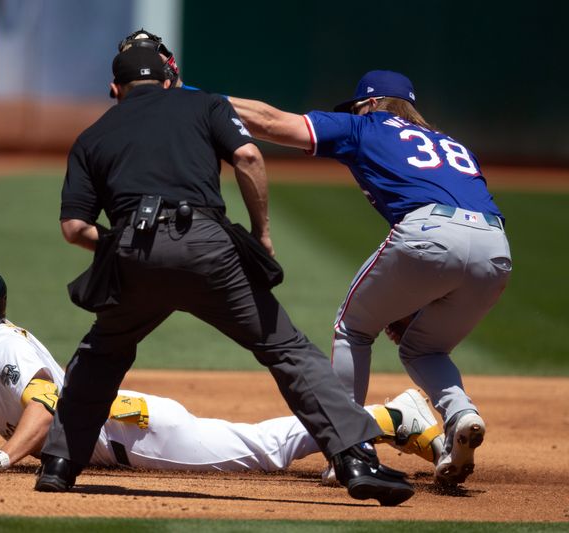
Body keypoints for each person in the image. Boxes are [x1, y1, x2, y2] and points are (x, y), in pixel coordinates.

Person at [36, 46, 417, 507]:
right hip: (206, 246)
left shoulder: (92, 135)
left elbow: (74, 229)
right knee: (286, 349)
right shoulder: (204, 103)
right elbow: (250, 158)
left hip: (131, 252)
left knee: (102, 352)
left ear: (115, 89)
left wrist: (122, 244)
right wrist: (262, 233)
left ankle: (59, 464)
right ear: (168, 80)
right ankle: (354, 458)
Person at [0, 263, 443, 477]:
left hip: (136, 435)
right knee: (264, 444)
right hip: (113, 435)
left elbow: (45, 403)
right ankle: (385, 417)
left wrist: (7, 459)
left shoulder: (7, 348)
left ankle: (392, 416)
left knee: (265, 451)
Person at [228, 70, 512, 486]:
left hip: (430, 233)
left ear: (373, 103)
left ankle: (348, 447)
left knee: (353, 328)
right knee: (424, 348)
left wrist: (193, 98)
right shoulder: (452, 143)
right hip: (496, 247)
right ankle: (460, 414)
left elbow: (270, 121)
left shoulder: (367, 124)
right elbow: (463, 235)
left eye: (359, 105)